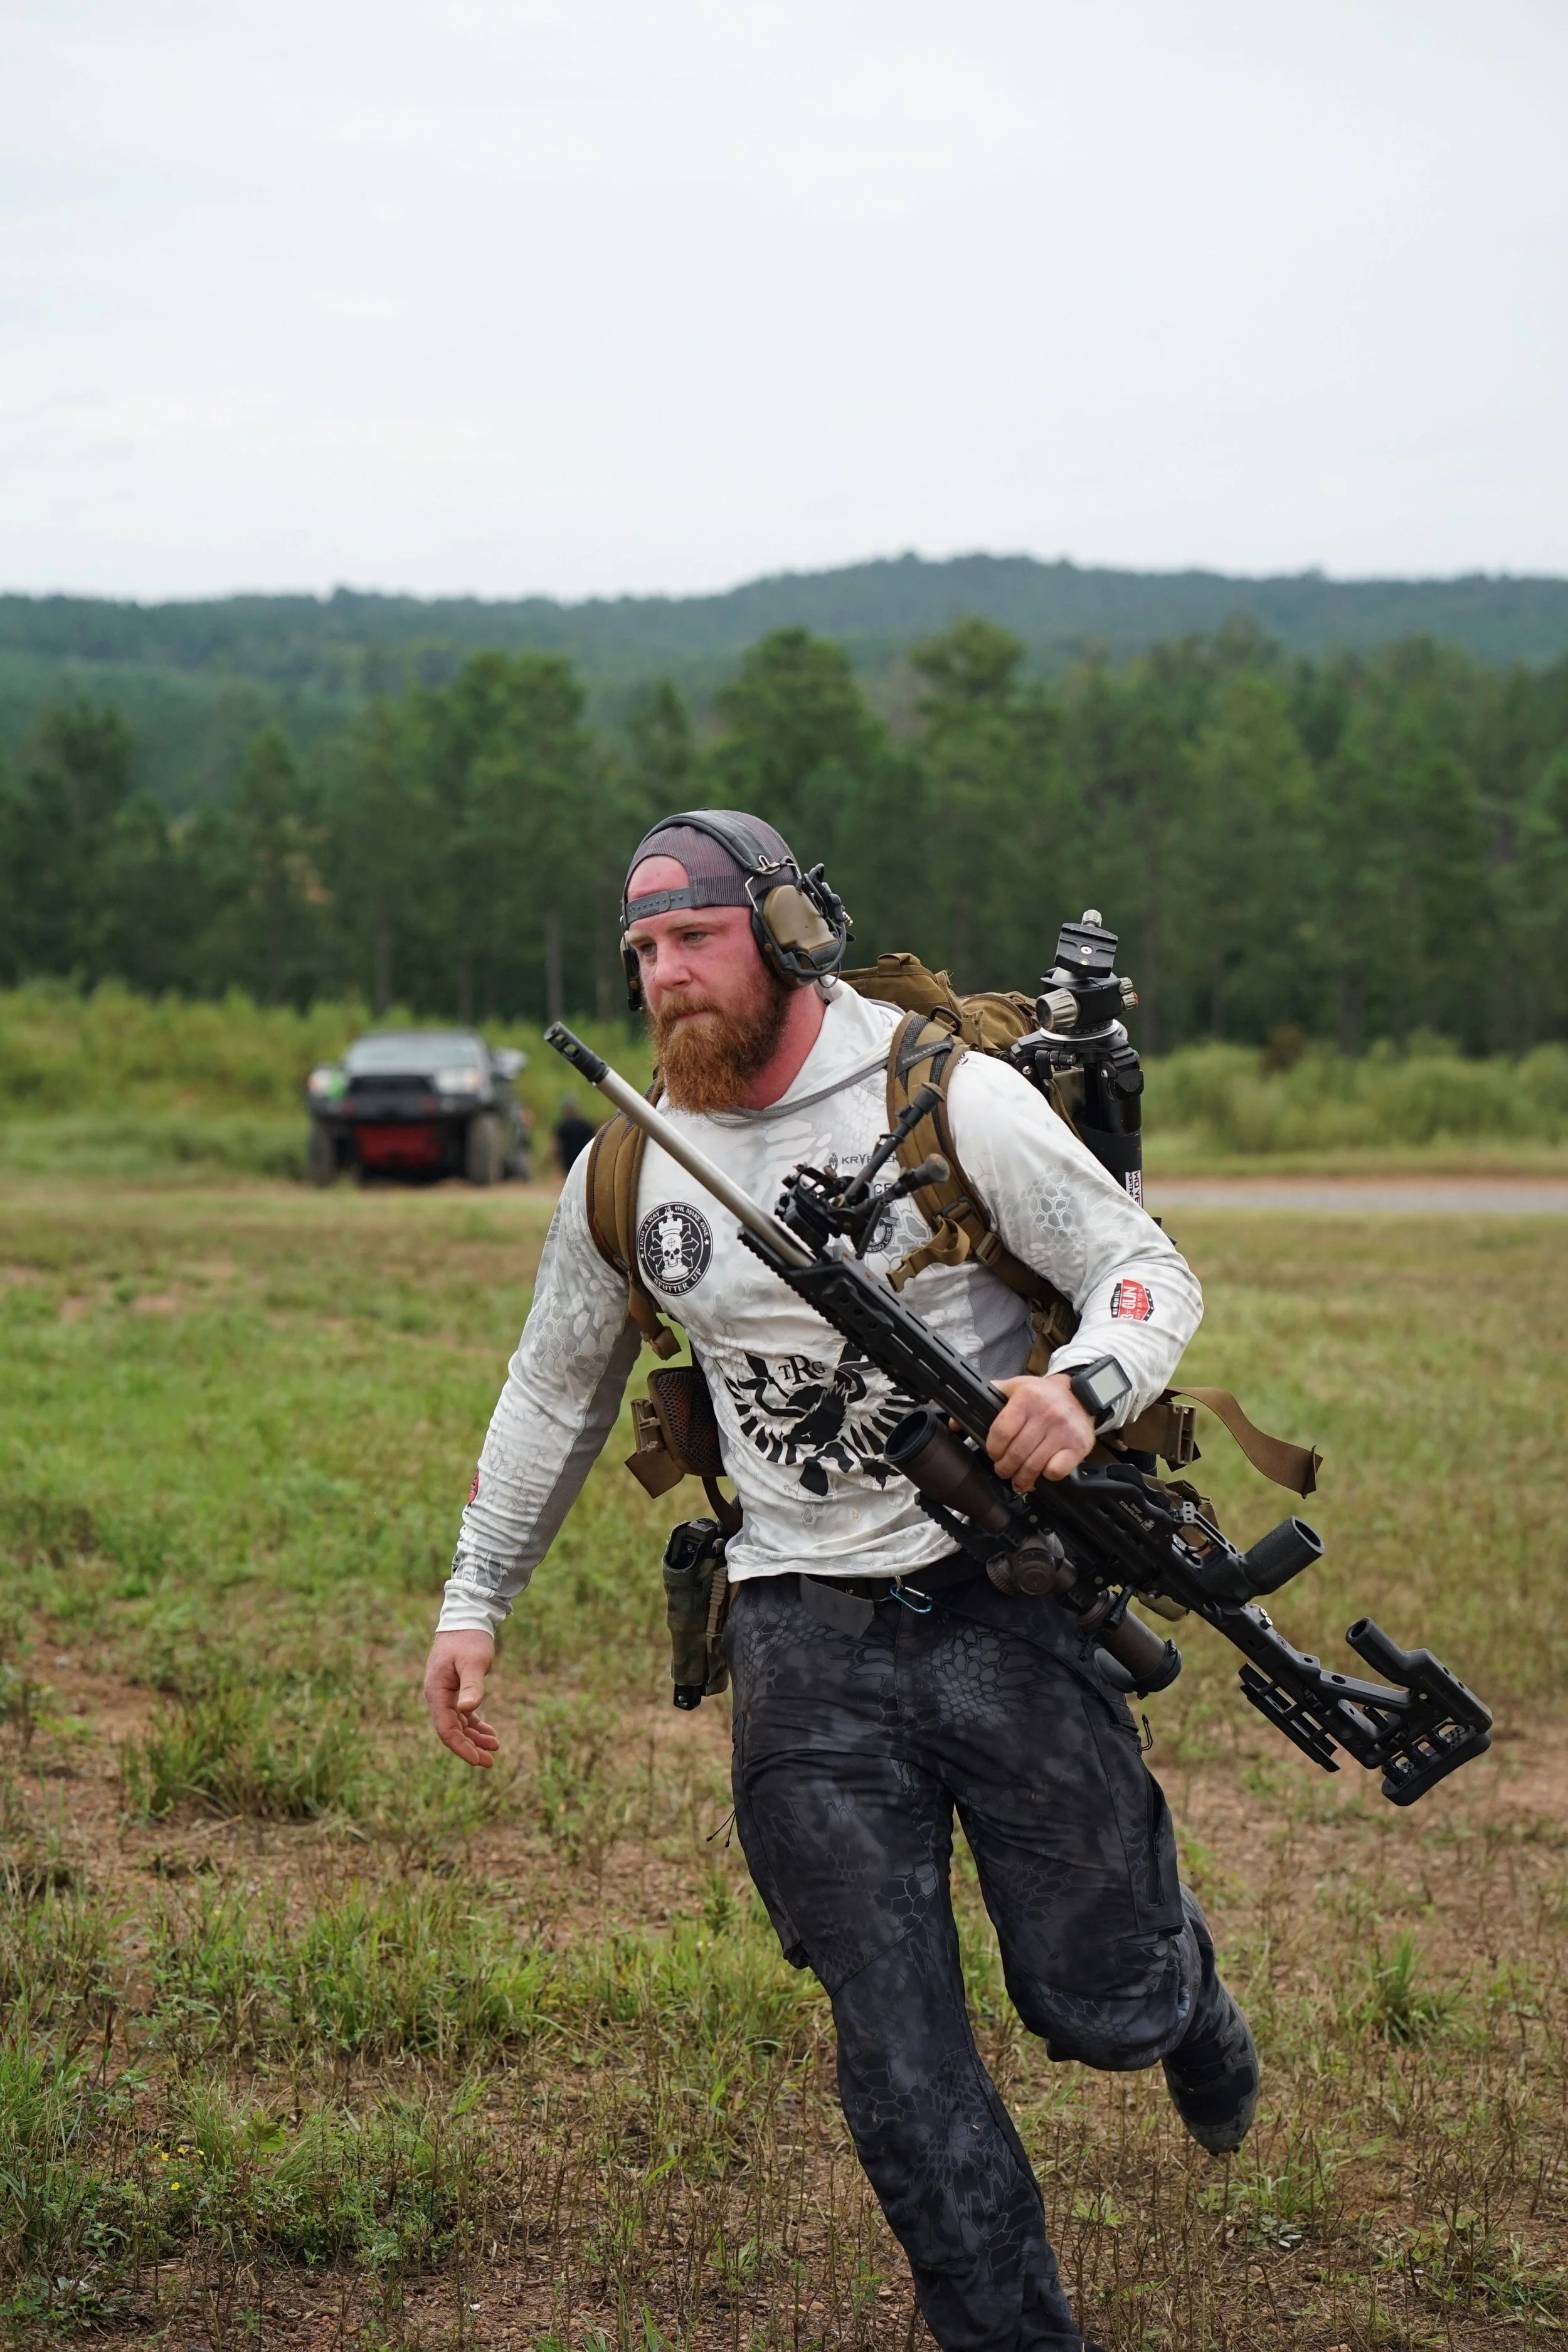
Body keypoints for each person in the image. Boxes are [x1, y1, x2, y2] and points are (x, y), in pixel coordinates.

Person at [423, 811, 1259, 2352]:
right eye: (644, 952)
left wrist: (1079, 1383)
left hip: (1000, 1592)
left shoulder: (950, 1099)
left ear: (789, 930)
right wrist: (476, 1601)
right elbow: (555, 1392)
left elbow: (1150, 1268)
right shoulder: (630, 1165)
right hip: (800, 1640)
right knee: (895, 2042)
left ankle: (1179, 1986)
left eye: (695, 939)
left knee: (1098, 2000)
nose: (665, 977)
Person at [552, 1094, 595, 1177]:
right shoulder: (585, 1124)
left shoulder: (563, 1126)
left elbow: (557, 1145)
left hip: (575, 1161)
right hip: (579, 1161)